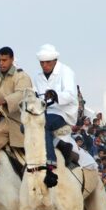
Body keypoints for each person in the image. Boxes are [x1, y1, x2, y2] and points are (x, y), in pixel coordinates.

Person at [31, 44, 78, 185]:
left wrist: (56, 95)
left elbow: (70, 95)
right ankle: (60, 144)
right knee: (24, 127)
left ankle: (51, 161)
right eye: (42, 63)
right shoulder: (37, 76)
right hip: (44, 112)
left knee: (42, 124)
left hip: (63, 112)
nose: (44, 65)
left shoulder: (66, 71)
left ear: (55, 60)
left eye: (47, 62)